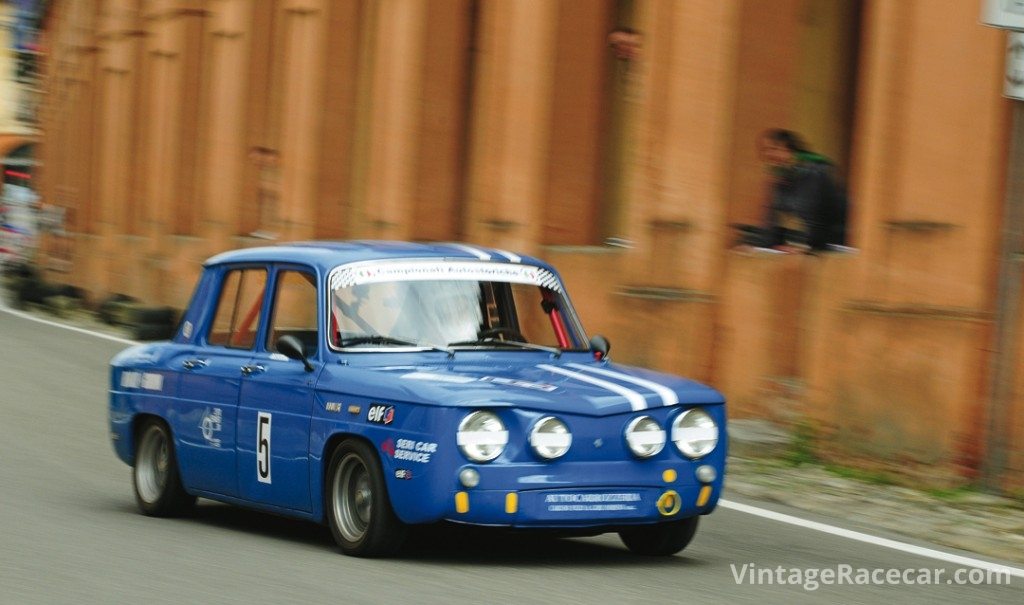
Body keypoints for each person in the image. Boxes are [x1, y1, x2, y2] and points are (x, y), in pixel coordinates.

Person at [755, 129, 849, 252]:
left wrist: (804, 247)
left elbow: (814, 217)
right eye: (764, 150)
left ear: (789, 149)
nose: (767, 155)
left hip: (832, 247)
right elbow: (773, 219)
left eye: (773, 149)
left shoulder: (815, 173)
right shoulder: (783, 179)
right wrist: (769, 245)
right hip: (806, 247)